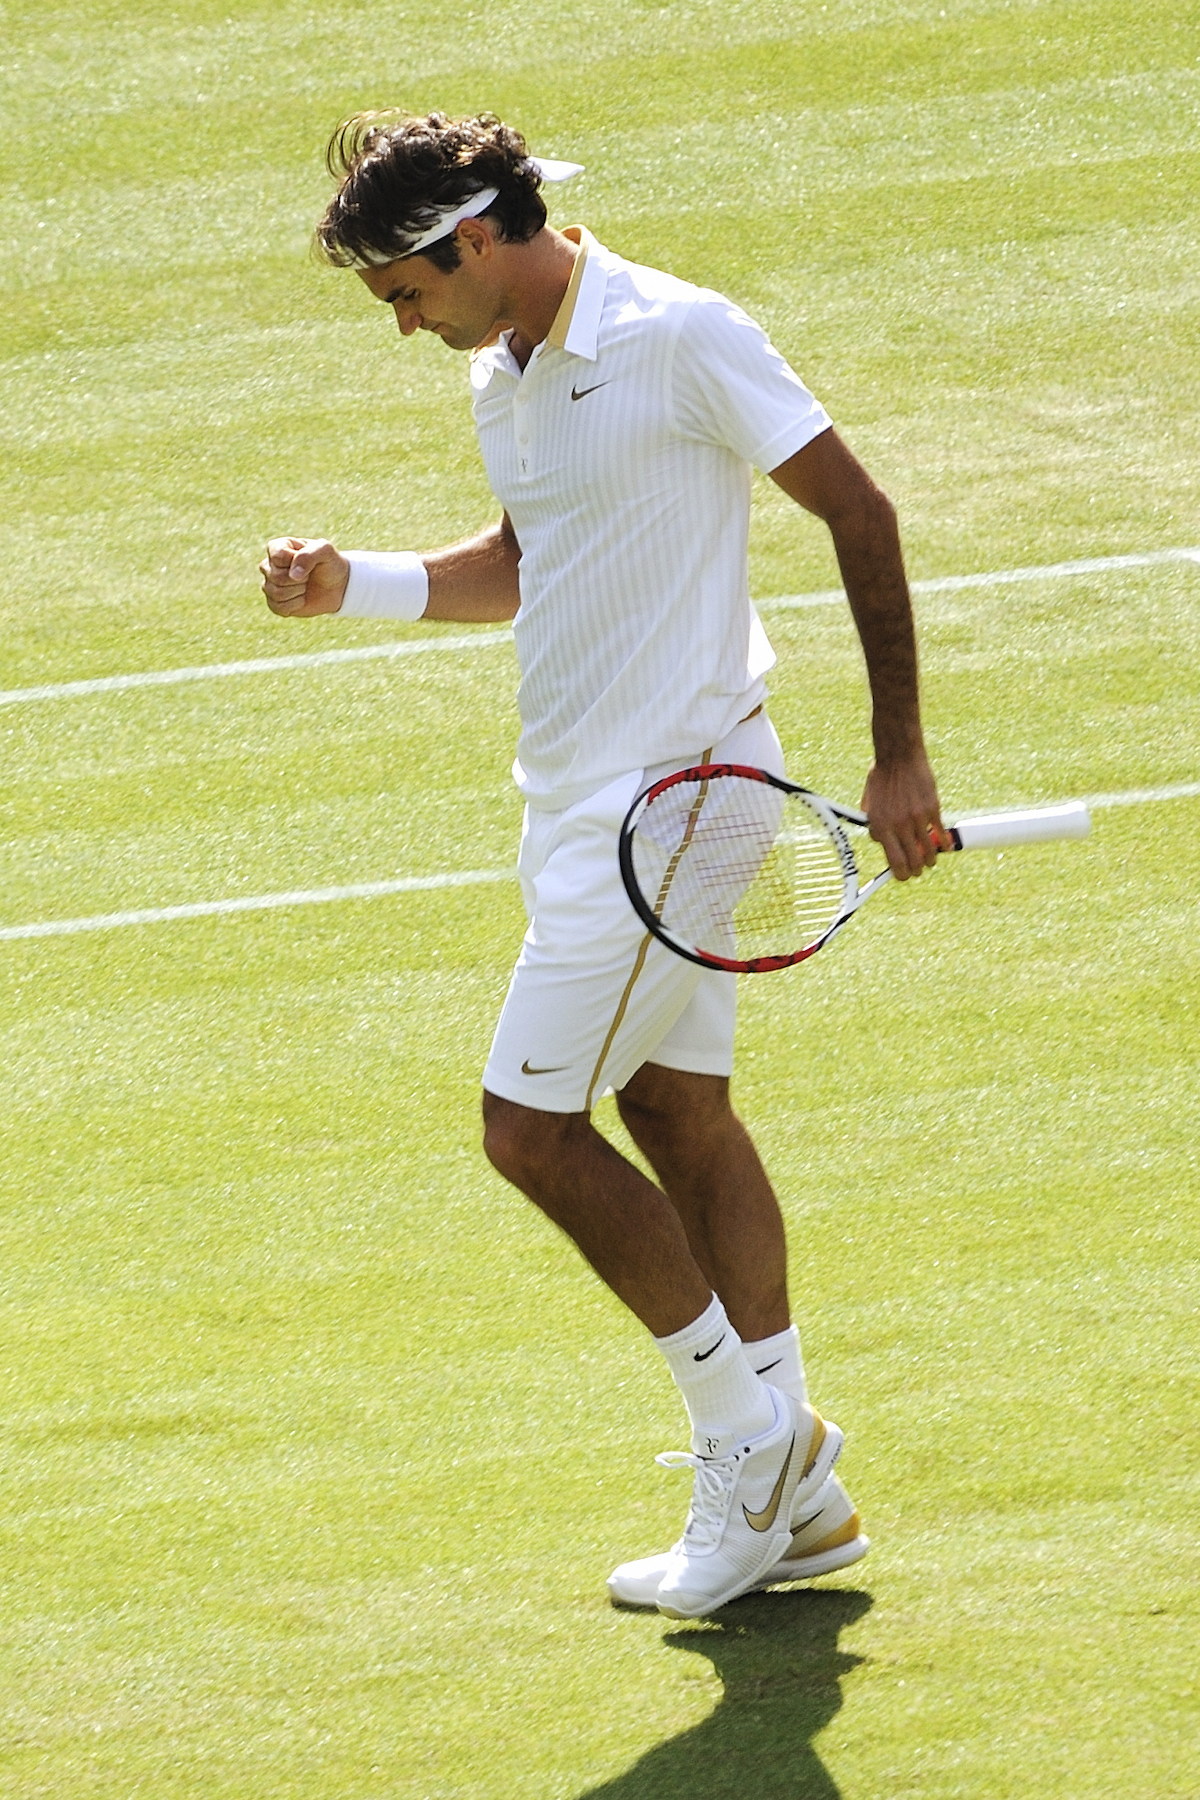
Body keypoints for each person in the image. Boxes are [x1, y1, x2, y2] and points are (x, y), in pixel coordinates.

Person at [260, 110, 947, 1619]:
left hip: (676, 811)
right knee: (678, 1111)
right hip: (576, 809)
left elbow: (858, 508)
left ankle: (750, 1443)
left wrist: (899, 750)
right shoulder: (506, 372)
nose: (404, 324)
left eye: (407, 292)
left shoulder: (682, 333)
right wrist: (351, 586)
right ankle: (804, 1503)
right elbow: (523, 564)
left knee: (529, 1131)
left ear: (478, 238)